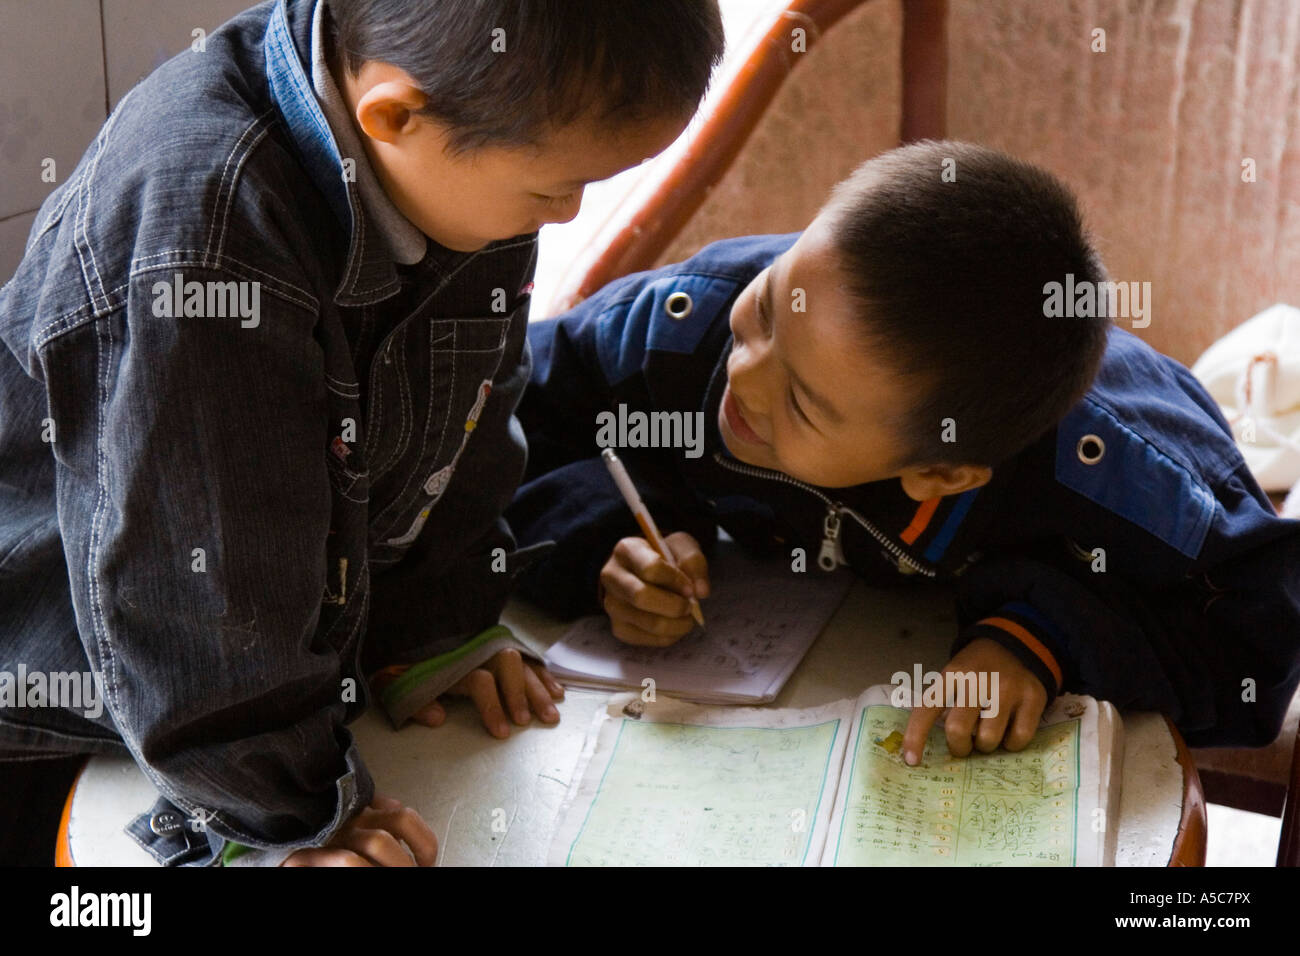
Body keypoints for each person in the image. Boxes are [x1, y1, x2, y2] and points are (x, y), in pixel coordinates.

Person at [0, 0, 724, 866]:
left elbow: (469, 417)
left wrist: (435, 625)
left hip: (266, 667)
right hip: (61, 701)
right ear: (393, 115)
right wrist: (287, 811)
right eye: (552, 188)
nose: (567, 214)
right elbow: (195, 580)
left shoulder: (456, 126)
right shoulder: (205, 241)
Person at [507, 139, 1300, 770]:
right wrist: (605, 534)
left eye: (803, 404)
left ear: (941, 473)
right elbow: (502, 415)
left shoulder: (1118, 477)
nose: (741, 375)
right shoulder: (687, 322)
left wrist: (1043, 637)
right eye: (773, 308)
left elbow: (1256, 640)